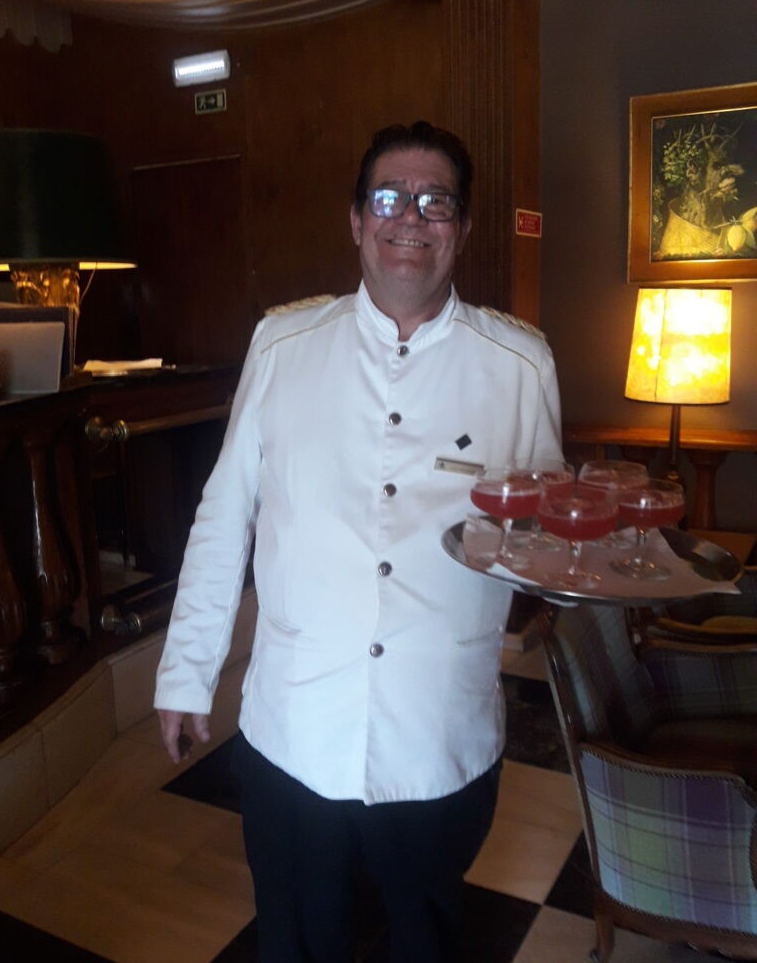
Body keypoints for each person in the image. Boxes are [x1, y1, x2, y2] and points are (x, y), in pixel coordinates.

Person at [154, 120, 562, 962]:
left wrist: (574, 551)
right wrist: (187, 673)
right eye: (388, 197)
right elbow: (223, 518)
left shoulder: (520, 366)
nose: (410, 216)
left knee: (424, 941)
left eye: (435, 200)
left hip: (439, 740)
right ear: (355, 220)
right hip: (294, 733)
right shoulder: (283, 345)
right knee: (297, 943)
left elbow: (544, 534)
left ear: (462, 229)